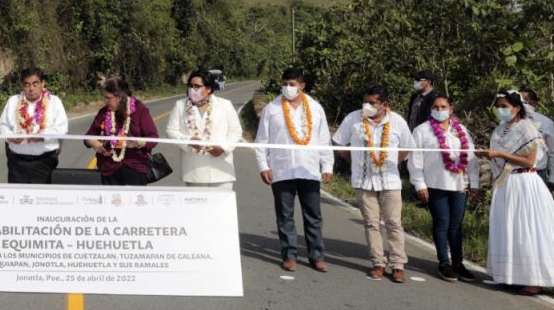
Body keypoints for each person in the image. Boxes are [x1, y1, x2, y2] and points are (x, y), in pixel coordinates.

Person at [480, 90, 554, 295]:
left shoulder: (527, 128)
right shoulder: (500, 129)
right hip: (506, 184)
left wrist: (499, 154)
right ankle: (508, 275)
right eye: (499, 106)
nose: (501, 110)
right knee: (508, 227)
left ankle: (534, 279)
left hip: (524, 182)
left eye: (505, 106)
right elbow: (498, 157)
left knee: (527, 229)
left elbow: (530, 162)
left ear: (517, 107)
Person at [333, 85, 415, 283]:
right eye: (365, 102)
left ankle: (397, 265)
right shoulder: (353, 119)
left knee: (394, 223)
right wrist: (352, 160)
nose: (366, 106)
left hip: (390, 181)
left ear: (384, 105)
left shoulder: (397, 122)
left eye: (372, 103)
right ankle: (378, 263)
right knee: (371, 224)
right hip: (363, 181)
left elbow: (408, 147)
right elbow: (338, 142)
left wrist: (395, 161)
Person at [254, 68, 333, 272]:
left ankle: (317, 256)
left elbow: (324, 140)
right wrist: (264, 165)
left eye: (292, 84)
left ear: (302, 86)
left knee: (313, 215)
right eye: (285, 84)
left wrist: (328, 165)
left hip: (309, 169)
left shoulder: (315, 108)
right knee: (285, 216)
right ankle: (289, 255)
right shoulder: (271, 109)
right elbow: (261, 140)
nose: (288, 88)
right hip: (281, 170)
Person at [409, 95, 479, 282]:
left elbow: (470, 157)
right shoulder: (422, 131)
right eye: (436, 107)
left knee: (456, 225)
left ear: (451, 109)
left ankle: (458, 263)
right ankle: (444, 263)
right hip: (434, 183)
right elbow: (415, 160)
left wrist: (474, 182)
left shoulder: (461, 130)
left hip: (459, 184)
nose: (439, 110)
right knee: (442, 223)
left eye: (443, 107)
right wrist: (419, 184)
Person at [166, 70, 242, 189]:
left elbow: (236, 131)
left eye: (197, 86)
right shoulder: (180, 105)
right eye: (190, 86)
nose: (192, 89)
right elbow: (171, 131)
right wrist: (189, 140)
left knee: (221, 207)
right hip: (194, 170)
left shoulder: (225, 105)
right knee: (197, 207)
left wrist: (223, 148)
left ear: (209, 88)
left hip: (221, 169)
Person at [0, 67, 69, 184]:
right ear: (22, 86)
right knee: (17, 198)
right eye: (27, 84)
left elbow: (62, 128)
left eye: (35, 84)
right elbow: (2, 126)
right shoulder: (13, 101)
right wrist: (10, 136)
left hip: (45, 162)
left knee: (43, 199)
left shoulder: (54, 102)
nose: (31, 89)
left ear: (42, 84)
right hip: (17, 163)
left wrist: (43, 136)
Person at [84, 77, 159, 186]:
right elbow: (88, 136)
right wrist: (93, 142)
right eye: (104, 97)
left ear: (119, 97)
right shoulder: (104, 112)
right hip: (109, 169)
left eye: (108, 98)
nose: (105, 101)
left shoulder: (139, 109)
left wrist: (140, 143)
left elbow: (153, 138)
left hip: (135, 168)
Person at [520, 89, 554, 189]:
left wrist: (553, 177)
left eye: (523, 100)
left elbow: (552, 151)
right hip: (515, 174)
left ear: (533, 103)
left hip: (537, 173)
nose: (519, 102)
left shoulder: (546, 123)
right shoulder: (506, 123)